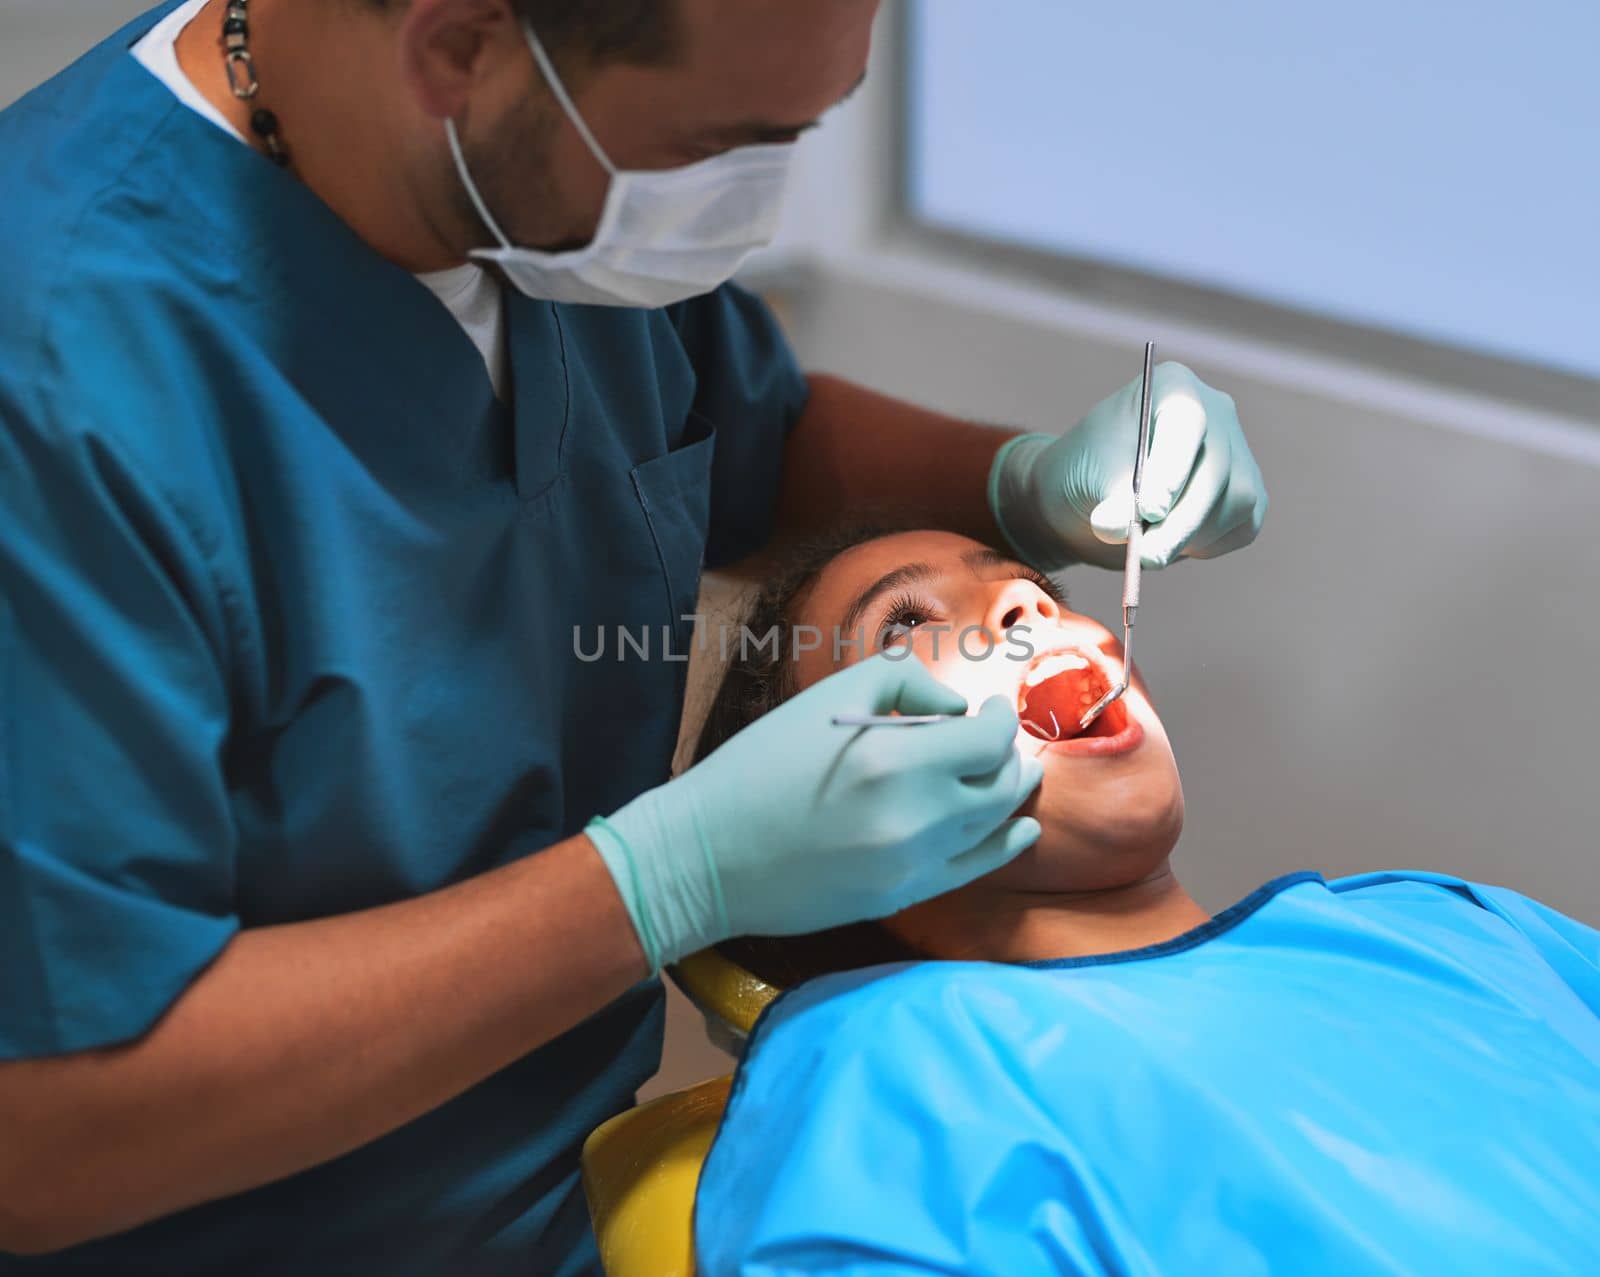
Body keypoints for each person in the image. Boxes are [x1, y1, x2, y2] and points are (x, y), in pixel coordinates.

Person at [0, 1, 1268, 1270]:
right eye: (716, 143)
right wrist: (662, 879)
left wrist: (1022, 487)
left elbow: (738, 432)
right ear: (455, 45)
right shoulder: (61, 382)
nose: (750, 207)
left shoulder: (530, 206)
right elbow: (43, 1133)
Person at [689, 527, 1600, 1276]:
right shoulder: (891, 1066)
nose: (1028, 605)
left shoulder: (1443, 921)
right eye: (902, 626)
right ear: (815, 815)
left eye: (1033, 583)